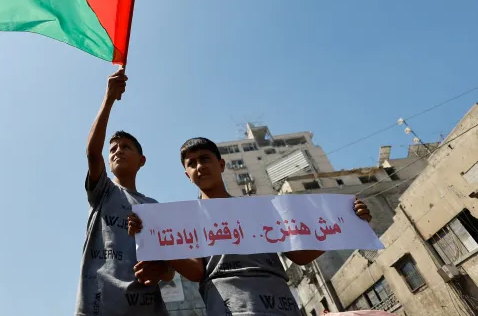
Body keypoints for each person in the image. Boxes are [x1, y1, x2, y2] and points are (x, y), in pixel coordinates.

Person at [128, 137, 373, 316]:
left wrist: (349, 224)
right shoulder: (186, 219)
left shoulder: (259, 209)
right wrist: (155, 238)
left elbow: (299, 256)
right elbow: (197, 273)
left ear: (221, 165)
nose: (199, 166)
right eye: (191, 163)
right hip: (230, 306)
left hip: (282, 305)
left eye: (205, 159)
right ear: (186, 174)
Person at [75, 68, 172, 316]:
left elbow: (170, 269)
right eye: (113, 148)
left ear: (142, 160)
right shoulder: (103, 191)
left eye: (126, 147)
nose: (118, 150)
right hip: (99, 307)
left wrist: (159, 271)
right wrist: (108, 99)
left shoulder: (154, 206)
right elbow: (92, 153)